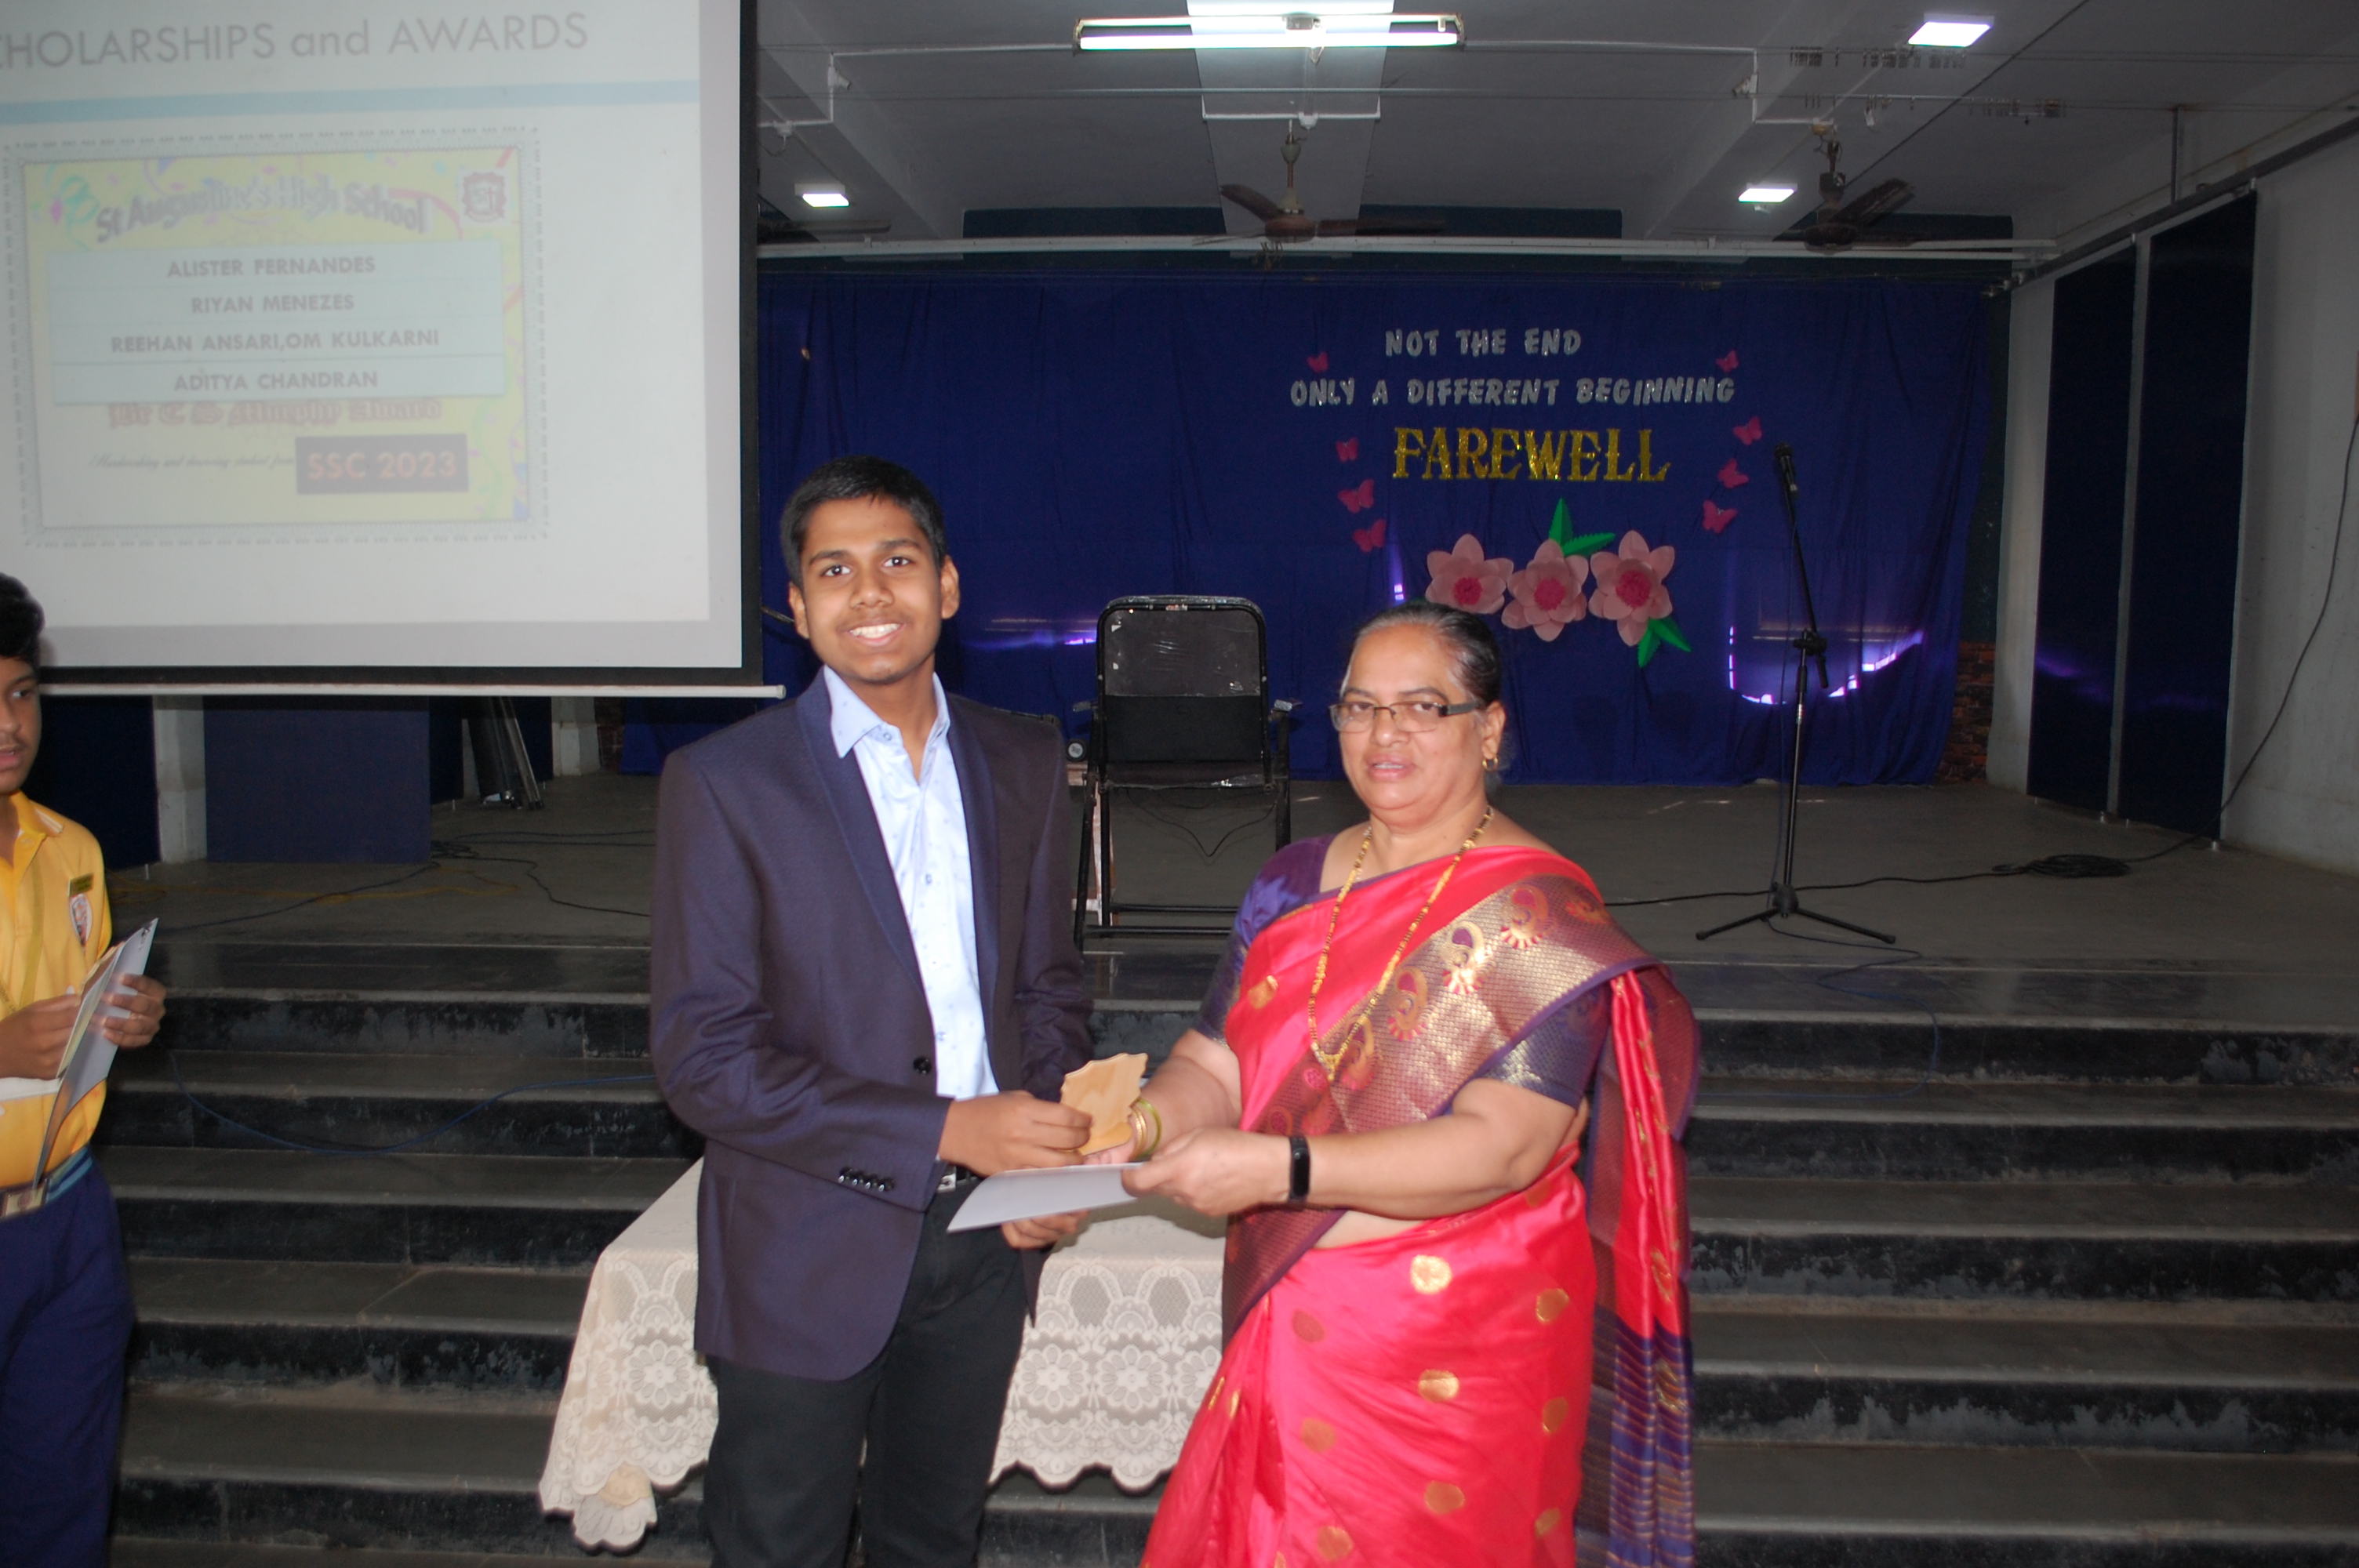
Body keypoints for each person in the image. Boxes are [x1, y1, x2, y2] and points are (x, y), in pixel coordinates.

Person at [1108, 601, 1699, 1568]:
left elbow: (1504, 1144)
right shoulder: (1290, 883)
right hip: (1295, 1317)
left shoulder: (1538, 914)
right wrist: (1140, 1122)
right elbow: (1215, 1056)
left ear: (1489, 728)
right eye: (1359, 706)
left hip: (1462, 1342)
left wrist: (1281, 1170)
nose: (1383, 734)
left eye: (1422, 706)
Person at [649, 456, 1096, 1568]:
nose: (870, 592)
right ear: (799, 610)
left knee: (933, 1540)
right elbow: (704, 1060)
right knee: (779, 1545)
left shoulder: (1025, 758)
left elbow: (1047, 988)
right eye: (834, 570)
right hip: (804, 1237)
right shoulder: (725, 782)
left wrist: (1046, 1160)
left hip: (984, 1241)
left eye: (897, 560)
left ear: (946, 585)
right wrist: (946, 1127)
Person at [0, 574, 169, 1568]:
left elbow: (79, 1009)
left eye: (21, 692)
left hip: (66, 1217)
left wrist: (128, 1012)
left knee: (61, 1509)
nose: (9, 723)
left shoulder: (71, 848)